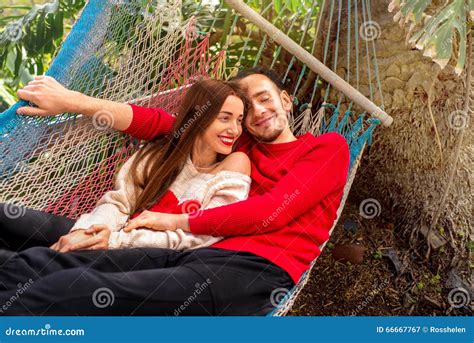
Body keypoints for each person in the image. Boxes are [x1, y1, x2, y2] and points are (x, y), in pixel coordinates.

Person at [0, 67, 350, 315]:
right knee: (42, 262)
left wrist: (172, 220)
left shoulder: (327, 148)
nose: (258, 112)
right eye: (247, 109)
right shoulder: (241, 143)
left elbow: (271, 211)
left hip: (250, 272)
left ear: (286, 101)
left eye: (265, 99)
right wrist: (75, 101)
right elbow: (163, 124)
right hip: (188, 253)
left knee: (74, 286)